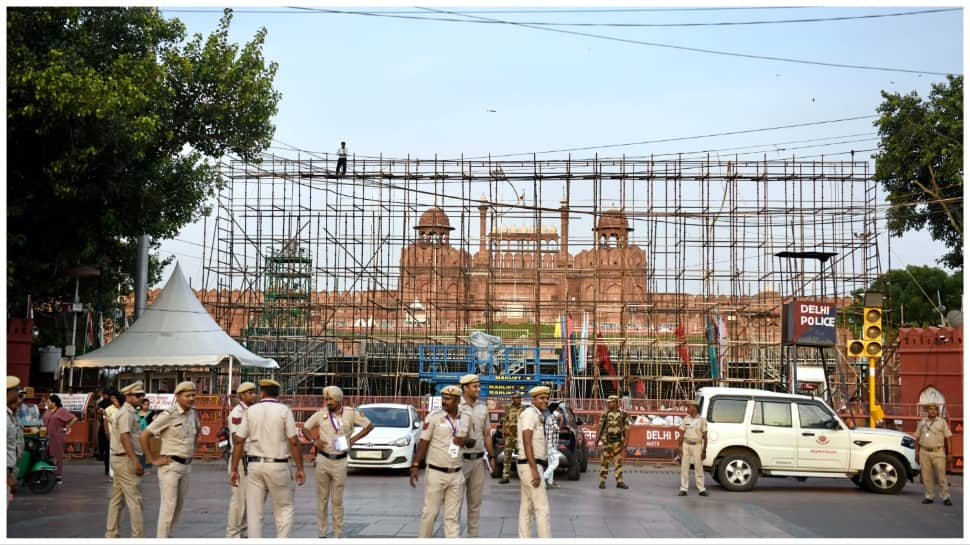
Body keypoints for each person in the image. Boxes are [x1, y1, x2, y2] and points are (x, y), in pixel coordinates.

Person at [228, 378, 306, 539]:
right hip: (278, 464)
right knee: (284, 508)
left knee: (254, 513)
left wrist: (234, 468)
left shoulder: (250, 411)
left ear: (262, 393)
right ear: (278, 394)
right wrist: (300, 468)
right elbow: (294, 441)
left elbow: (239, 441)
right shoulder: (284, 411)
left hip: (254, 465)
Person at [303, 385, 374, 538]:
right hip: (322, 459)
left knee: (337, 501)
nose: (328, 402)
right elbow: (305, 428)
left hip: (340, 462)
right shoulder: (321, 414)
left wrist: (353, 439)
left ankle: (338, 534)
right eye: (326, 399)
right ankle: (322, 533)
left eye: (331, 399)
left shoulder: (350, 413)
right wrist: (313, 440)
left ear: (339, 399)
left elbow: (369, 425)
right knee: (322, 499)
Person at [140, 381, 200, 538]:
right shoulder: (168, 415)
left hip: (186, 466)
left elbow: (196, 433)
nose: (191, 398)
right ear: (178, 397)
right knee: (169, 506)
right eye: (187, 396)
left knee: (178, 506)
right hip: (170, 466)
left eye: (193, 395)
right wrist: (151, 459)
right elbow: (144, 435)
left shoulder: (193, 413)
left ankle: (168, 535)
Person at [410, 385, 465, 538]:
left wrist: (465, 440)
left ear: (457, 401)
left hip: (456, 474)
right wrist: (415, 465)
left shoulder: (465, 419)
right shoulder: (433, 418)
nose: (444, 401)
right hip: (436, 473)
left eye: (448, 399)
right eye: (443, 398)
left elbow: (472, 441)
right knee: (430, 514)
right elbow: (424, 442)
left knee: (452, 518)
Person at [455, 374, 496, 538]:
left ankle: (473, 538)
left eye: (479, 386)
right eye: (475, 386)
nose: (478, 389)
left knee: (475, 504)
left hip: (478, 461)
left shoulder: (482, 407)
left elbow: (487, 434)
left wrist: (492, 456)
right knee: (455, 503)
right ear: (465, 388)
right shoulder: (455, 407)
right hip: (459, 460)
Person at [105, 381, 146, 539]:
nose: (141, 398)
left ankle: (111, 533)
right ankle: (138, 536)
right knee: (135, 500)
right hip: (125, 459)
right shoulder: (126, 413)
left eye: (142, 395)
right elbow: (125, 437)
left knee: (117, 499)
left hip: (120, 458)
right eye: (137, 395)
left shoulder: (127, 411)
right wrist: (135, 461)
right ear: (128, 396)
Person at [517, 385, 552, 538]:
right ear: (533, 399)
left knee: (527, 507)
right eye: (541, 398)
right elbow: (527, 442)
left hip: (529, 464)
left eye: (546, 397)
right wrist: (534, 470)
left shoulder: (536, 414)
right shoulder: (530, 414)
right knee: (542, 508)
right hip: (531, 465)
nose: (545, 401)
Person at [225, 382, 258, 538]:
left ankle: (243, 533)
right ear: (241, 395)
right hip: (241, 458)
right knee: (239, 500)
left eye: (254, 392)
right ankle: (232, 535)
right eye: (250, 392)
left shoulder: (254, 411)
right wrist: (234, 468)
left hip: (252, 459)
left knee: (249, 500)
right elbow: (237, 439)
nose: (254, 395)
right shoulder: (237, 413)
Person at [915, 401, 953, 506]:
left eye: (935, 409)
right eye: (930, 409)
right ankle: (929, 496)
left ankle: (945, 497)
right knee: (927, 476)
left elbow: (948, 438)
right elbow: (917, 438)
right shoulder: (922, 423)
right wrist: (916, 453)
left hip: (938, 452)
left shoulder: (942, 422)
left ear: (937, 411)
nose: (933, 411)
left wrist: (950, 453)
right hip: (924, 452)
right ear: (927, 410)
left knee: (941, 476)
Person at [42, 394, 78, 485]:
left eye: (49, 402)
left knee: (58, 455)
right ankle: (48, 474)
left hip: (57, 436)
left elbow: (74, 418)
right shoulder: (47, 411)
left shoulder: (62, 411)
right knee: (47, 454)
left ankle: (58, 475)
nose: (47, 403)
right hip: (47, 435)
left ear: (54, 403)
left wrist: (66, 427)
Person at [596, 394, 630, 489]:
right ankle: (602, 481)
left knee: (618, 462)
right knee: (604, 462)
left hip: (618, 442)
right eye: (608, 402)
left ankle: (620, 482)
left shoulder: (623, 413)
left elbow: (627, 428)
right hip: (607, 441)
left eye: (610, 402)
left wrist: (627, 441)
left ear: (615, 403)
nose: (609, 404)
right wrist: (597, 439)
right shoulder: (605, 413)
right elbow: (600, 426)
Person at [678, 400, 708, 497]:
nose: (687, 409)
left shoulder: (702, 420)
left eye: (689, 407)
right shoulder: (685, 419)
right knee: (684, 467)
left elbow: (705, 436)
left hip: (697, 445)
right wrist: (679, 447)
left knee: (698, 467)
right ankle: (683, 488)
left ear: (694, 408)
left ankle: (701, 489)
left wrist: (704, 450)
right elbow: (681, 434)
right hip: (686, 444)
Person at [500, 392, 524, 484]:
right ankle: (505, 477)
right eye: (517, 398)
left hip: (520, 436)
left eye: (520, 398)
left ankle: (524, 476)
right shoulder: (508, 408)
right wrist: (503, 433)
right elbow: (504, 421)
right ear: (513, 399)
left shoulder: (524, 409)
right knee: (507, 457)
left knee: (523, 456)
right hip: (509, 436)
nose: (519, 399)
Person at [7, 377, 25, 497]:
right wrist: (6, 477)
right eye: (15, 392)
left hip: (11, 468)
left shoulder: (12, 415)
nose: (19, 398)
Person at [103, 390, 123, 483]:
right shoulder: (108, 409)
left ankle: (121, 475)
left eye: (115, 398)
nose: (113, 400)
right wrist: (107, 433)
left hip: (123, 435)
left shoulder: (123, 409)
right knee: (112, 455)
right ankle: (112, 475)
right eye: (112, 398)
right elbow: (105, 422)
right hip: (112, 435)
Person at [542, 403, 563, 488]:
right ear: (554, 410)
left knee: (551, 463)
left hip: (553, 444)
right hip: (550, 445)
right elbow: (557, 429)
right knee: (555, 462)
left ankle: (550, 482)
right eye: (558, 409)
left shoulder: (553, 418)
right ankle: (543, 478)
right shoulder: (550, 418)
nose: (559, 411)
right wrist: (561, 420)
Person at [136, 398, 155, 470]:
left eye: (148, 404)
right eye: (145, 404)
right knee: (139, 450)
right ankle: (140, 465)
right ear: (141, 405)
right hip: (137, 434)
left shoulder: (151, 413)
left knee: (146, 449)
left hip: (147, 434)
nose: (146, 406)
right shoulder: (136, 412)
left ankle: (146, 466)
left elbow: (154, 422)